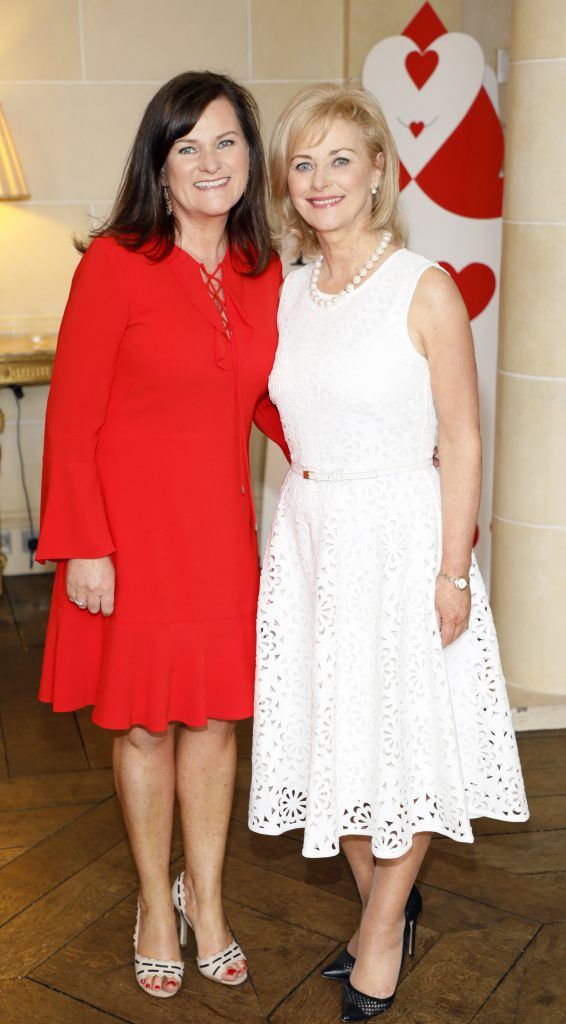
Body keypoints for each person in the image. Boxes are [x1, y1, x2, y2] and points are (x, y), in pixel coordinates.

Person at [249, 83, 529, 1022]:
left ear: (378, 172)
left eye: (341, 159)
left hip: (404, 539)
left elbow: (465, 435)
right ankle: (391, 904)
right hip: (313, 539)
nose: (322, 179)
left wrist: (453, 572)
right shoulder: (288, 294)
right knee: (343, 736)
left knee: (403, 738)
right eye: (303, 161)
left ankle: (377, 934)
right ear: (287, 185)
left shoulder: (425, 285)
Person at [36, 71, 288, 999]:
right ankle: (154, 902)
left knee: (217, 726)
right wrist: (85, 545)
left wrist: (362, 463)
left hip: (221, 537)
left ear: (251, 157)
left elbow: (273, 399)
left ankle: (207, 898)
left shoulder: (267, 276)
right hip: (130, 542)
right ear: (160, 162)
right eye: (188, 146)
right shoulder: (114, 262)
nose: (210, 162)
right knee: (144, 727)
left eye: (226, 142)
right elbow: (72, 419)